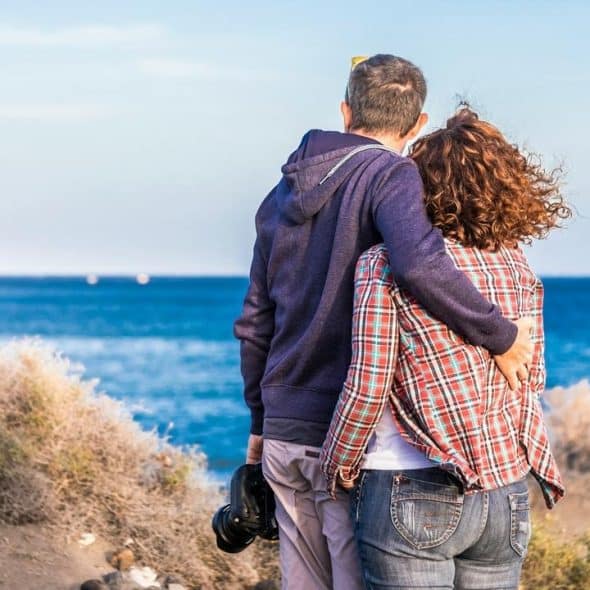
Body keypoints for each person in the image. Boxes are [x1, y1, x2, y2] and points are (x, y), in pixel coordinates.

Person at [234, 55, 533, 590]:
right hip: (347, 433)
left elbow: (256, 324)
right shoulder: (392, 174)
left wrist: (259, 424)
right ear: (417, 125)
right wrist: (500, 335)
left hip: (283, 428)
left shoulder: (276, 198)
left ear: (345, 110)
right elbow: (418, 263)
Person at [320, 107, 569, 590]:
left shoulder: (383, 264)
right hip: (506, 490)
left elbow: (368, 382)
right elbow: (529, 379)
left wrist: (338, 463)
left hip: (408, 483)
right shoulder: (517, 268)